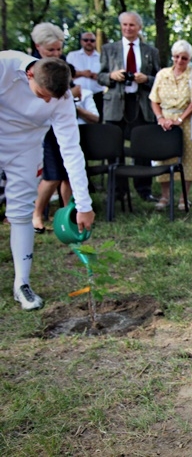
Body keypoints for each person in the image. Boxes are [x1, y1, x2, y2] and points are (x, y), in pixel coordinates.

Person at [0, 51, 95, 310]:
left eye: (51, 99)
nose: (45, 102)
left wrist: (84, 205)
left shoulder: (62, 99)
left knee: (20, 212)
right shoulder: (5, 65)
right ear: (29, 74)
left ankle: (22, 284)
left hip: (26, 149)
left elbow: (72, 151)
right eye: (41, 94)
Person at [97, 11, 161, 202]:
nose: (127, 28)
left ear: (139, 27)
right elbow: (99, 76)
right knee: (114, 148)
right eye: (124, 25)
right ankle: (117, 190)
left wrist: (146, 78)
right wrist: (111, 76)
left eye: (131, 25)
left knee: (143, 148)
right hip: (116, 104)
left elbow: (159, 78)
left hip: (140, 104)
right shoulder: (109, 49)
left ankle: (144, 189)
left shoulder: (151, 51)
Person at [149, 40, 192, 211]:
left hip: (186, 121)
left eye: (184, 58)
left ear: (189, 59)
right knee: (163, 158)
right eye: (176, 57)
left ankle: (184, 197)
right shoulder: (162, 74)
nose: (180, 61)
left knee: (188, 158)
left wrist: (179, 120)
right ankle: (165, 195)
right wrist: (160, 118)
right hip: (164, 121)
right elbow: (154, 99)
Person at [30, 23, 72, 234]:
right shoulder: (30, 69)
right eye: (51, 50)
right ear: (38, 47)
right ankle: (36, 214)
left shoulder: (62, 65)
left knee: (68, 173)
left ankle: (68, 213)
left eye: (59, 49)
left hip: (63, 125)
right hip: (42, 129)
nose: (56, 54)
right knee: (52, 174)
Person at [66, 31, 105, 120]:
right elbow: (67, 74)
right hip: (78, 94)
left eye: (92, 40)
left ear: (95, 42)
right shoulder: (72, 56)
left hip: (97, 95)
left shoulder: (101, 57)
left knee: (98, 120)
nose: (89, 42)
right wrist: (82, 73)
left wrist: (97, 76)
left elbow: (106, 74)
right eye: (86, 40)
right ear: (81, 41)